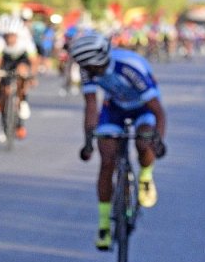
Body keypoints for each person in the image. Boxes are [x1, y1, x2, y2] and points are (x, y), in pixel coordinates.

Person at [71, 32, 167, 250]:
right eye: (85, 68)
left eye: (91, 68)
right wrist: (89, 141)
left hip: (144, 107)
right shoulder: (87, 69)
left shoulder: (129, 68)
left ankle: (145, 177)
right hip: (114, 108)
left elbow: (159, 112)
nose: (88, 72)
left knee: (143, 143)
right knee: (107, 161)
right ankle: (104, 225)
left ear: (100, 60)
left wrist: (158, 141)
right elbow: (91, 106)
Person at [0, 13, 36, 142]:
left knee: (22, 71)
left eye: (12, 36)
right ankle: (4, 122)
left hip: (21, 59)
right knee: (4, 89)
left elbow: (33, 60)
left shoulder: (25, 38)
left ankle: (23, 101)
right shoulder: (0, 41)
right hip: (7, 60)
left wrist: (32, 76)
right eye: (7, 36)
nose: (10, 39)